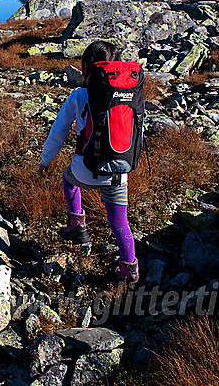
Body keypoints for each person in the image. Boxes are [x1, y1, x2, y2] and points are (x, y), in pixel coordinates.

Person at [37, 40, 139, 283]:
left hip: (85, 169)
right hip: (118, 173)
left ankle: (76, 225)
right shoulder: (129, 96)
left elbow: (58, 131)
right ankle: (130, 270)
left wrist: (45, 160)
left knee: (68, 178)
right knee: (119, 223)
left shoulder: (79, 95)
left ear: (86, 68)